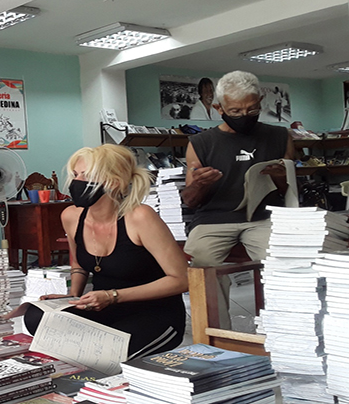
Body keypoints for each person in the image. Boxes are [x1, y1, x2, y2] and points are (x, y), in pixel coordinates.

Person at [21, 145, 189, 359]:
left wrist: (113, 296)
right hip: (102, 307)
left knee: (113, 349)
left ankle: (90, 353)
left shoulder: (140, 217)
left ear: (114, 181)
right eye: (75, 174)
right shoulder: (71, 217)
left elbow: (182, 279)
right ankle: (88, 352)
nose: (76, 181)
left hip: (151, 310)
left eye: (86, 175)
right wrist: (72, 297)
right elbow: (79, 264)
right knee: (36, 316)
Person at [182, 70, 295, 328]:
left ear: (260, 102)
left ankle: (282, 331)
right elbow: (190, 200)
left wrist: (281, 176)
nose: (244, 116)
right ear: (218, 107)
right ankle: (217, 334)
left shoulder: (280, 136)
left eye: (252, 109)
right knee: (203, 263)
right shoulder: (201, 142)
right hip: (213, 220)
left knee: (283, 260)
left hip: (264, 217)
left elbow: (290, 193)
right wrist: (199, 184)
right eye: (235, 111)